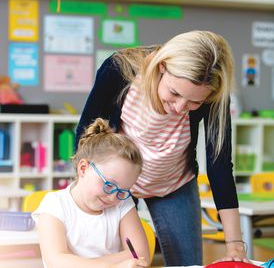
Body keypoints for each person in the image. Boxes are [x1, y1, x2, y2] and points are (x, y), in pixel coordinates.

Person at [76, 30, 249, 266]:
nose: (180, 107)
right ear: (161, 67)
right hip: (118, 185)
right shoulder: (119, 70)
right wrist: (81, 197)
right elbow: (86, 136)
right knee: (118, 261)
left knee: (187, 263)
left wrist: (235, 244)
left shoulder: (214, 94)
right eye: (175, 93)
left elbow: (219, 165)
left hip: (174, 183)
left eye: (194, 102)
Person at [32, 118, 150, 268]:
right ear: (83, 169)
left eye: (122, 191)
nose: (113, 197)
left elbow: (140, 255)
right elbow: (56, 261)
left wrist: (77, 262)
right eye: (109, 185)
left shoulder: (122, 203)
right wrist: (113, 266)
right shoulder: (54, 205)